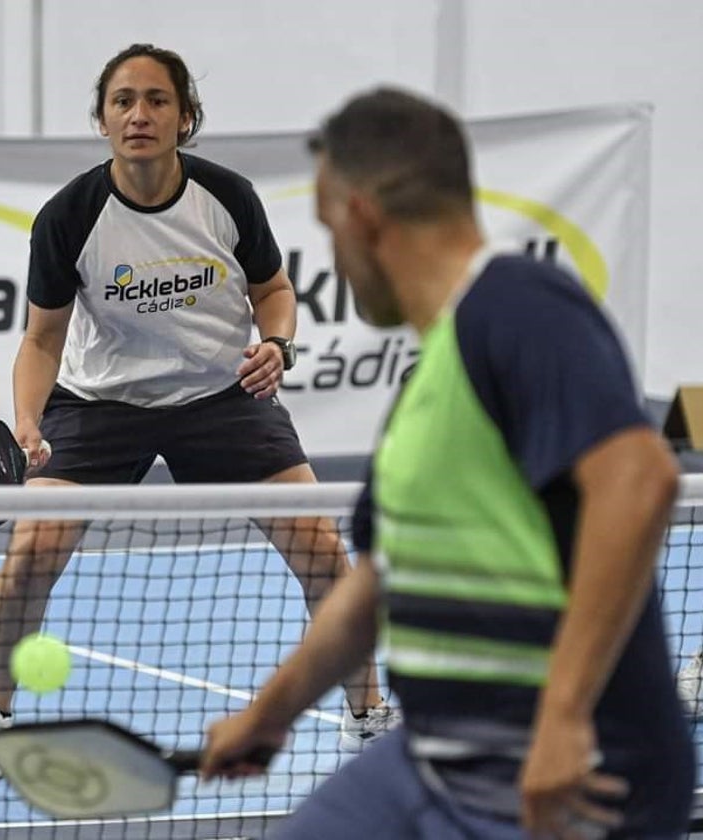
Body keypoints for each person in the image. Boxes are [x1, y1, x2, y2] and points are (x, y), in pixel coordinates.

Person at [200, 86, 695, 839]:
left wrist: (564, 717)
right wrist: (267, 717)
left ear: (363, 216)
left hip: (566, 775)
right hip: (430, 759)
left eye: (330, 226)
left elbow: (642, 478)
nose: (333, 252)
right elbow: (378, 583)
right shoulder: (433, 378)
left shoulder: (519, 303)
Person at [0, 43, 398, 781]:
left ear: (186, 117)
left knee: (320, 547)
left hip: (220, 397)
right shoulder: (68, 217)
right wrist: (27, 420)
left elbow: (275, 291)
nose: (139, 114)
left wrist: (277, 344)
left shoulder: (226, 198)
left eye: (157, 99)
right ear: (101, 119)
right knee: (29, 557)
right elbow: (41, 338)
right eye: (123, 100)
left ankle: (366, 715)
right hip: (101, 403)